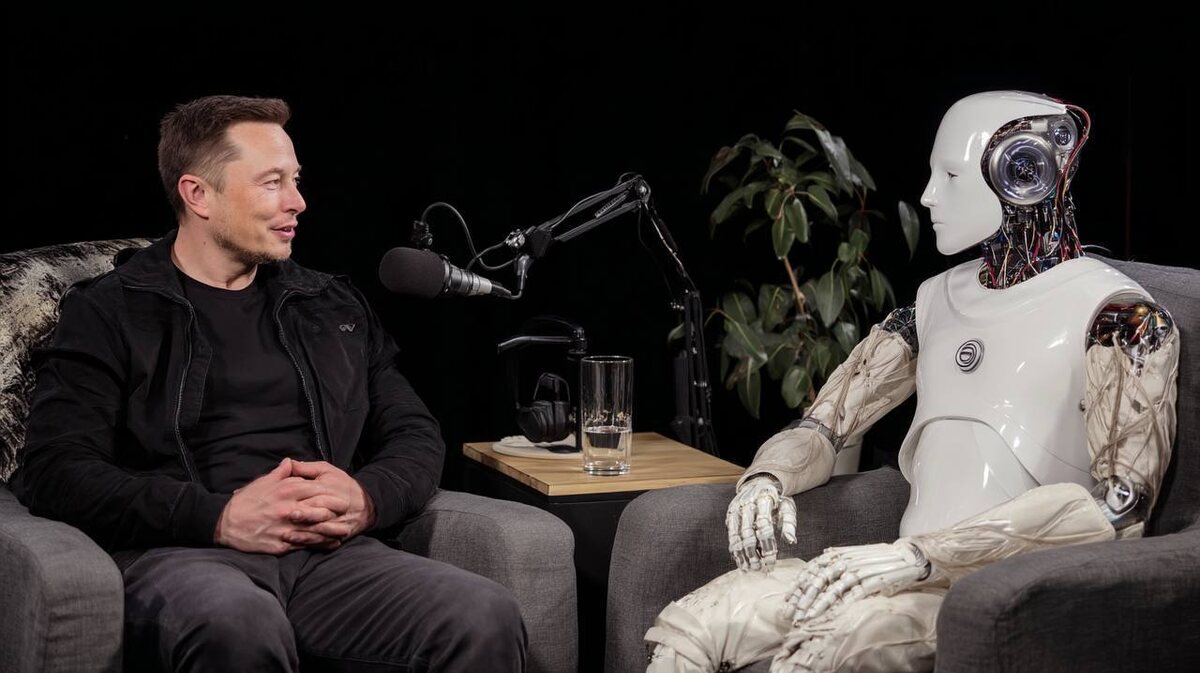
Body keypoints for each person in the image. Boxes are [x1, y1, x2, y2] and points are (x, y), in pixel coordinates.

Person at [643, 91, 1180, 672]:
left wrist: (922, 555)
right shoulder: (931, 305)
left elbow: (1120, 509)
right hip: (895, 573)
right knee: (692, 627)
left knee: (824, 650)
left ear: (1022, 172)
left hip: (992, 592)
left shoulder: (1119, 317)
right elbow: (825, 425)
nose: (927, 195)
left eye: (950, 175)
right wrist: (768, 477)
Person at [11, 94, 527, 672]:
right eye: (272, 182)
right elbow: (56, 470)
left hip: (329, 558)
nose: (298, 202)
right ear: (197, 194)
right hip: (184, 555)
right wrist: (218, 517)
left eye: (295, 180)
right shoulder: (110, 311)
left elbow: (415, 432)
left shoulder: (329, 305)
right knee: (237, 625)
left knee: (483, 614)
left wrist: (366, 497)